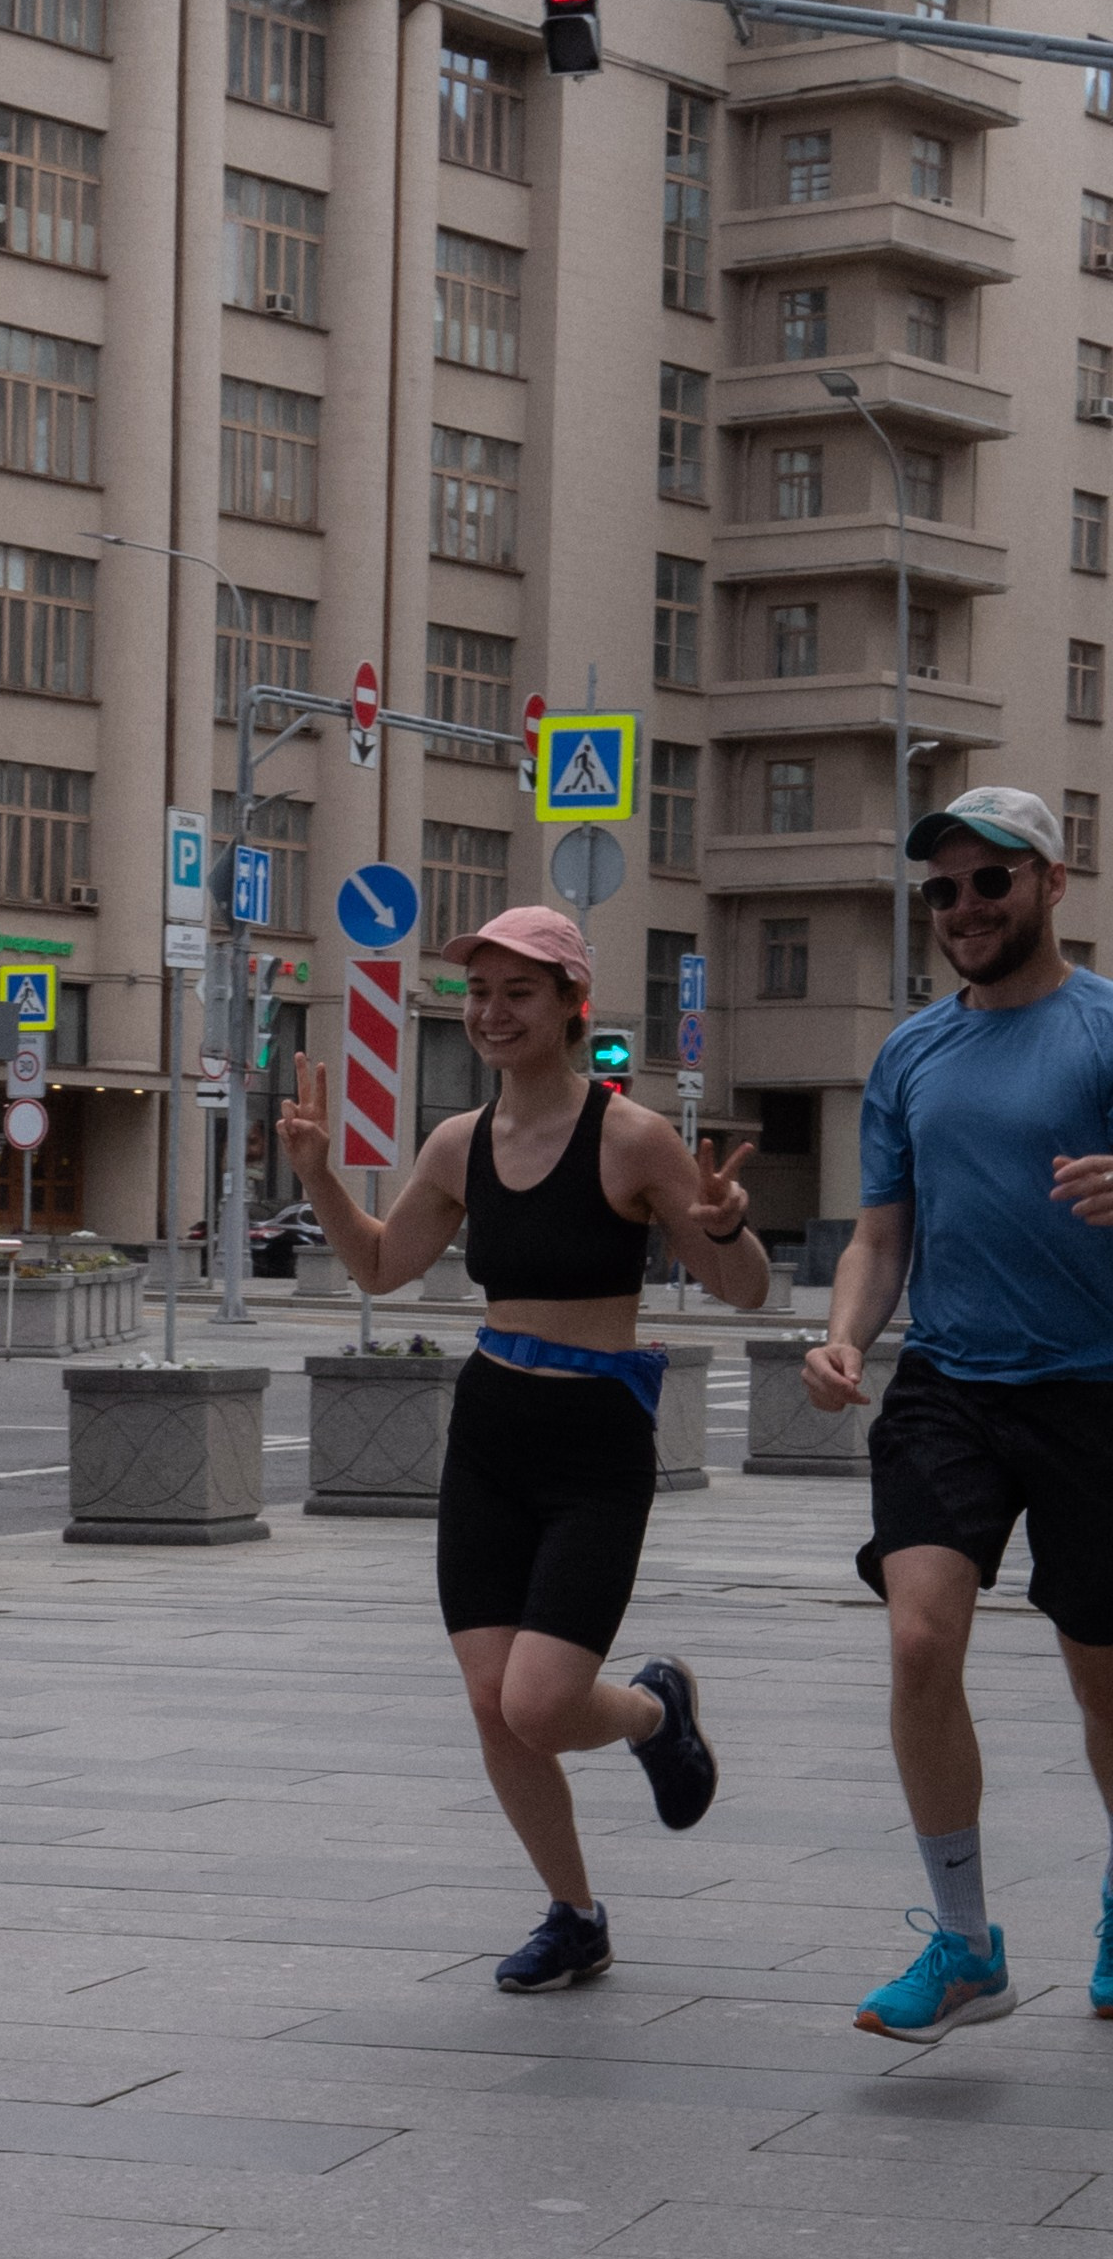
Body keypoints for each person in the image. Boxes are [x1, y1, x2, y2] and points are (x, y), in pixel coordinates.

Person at [280, 906, 770, 1988]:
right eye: (480, 993)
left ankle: (653, 1710)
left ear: (568, 1006)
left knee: (542, 1701)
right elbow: (378, 1267)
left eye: (519, 993)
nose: (493, 1014)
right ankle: (574, 1912)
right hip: (492, 1433)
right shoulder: (458, 1144)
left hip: (596, 1442)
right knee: (490, 1696)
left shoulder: (633, 1136)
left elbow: (743, 1291)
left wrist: (728, 1223)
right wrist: (316, 1172)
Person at [803, 785, 1113, 2038]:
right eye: (943, 888)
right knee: (921, 1640)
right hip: (951, 1383)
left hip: (1097, 1389)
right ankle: (966, 1940)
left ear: (1051, 885)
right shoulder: (910, 1053)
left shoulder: (1104, 1030)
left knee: (1103, 1682)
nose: (966, 906)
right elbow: (882, 1236)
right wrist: (841, 1335)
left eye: (992, 880)